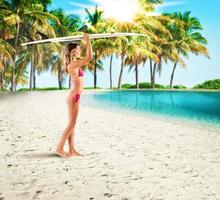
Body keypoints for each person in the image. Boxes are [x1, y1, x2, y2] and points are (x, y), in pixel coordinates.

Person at [55, 33, 93, 158]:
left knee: (72, 124)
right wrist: (88, 41)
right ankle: (59, 149)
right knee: (71, 124)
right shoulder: (73, 65)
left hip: (75, 95)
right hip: (74, 96)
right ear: (73, 51)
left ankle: (72, 150)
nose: (80, 50)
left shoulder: (74, 63)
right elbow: (90, 57)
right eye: (78, 48)